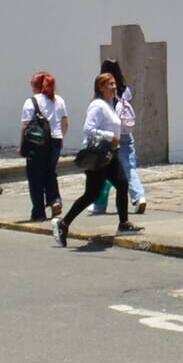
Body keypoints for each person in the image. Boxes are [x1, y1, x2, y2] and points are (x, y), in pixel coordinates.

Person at [54, 71, 139, 244]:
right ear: (100, 87)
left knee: (122, 184)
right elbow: (88, 129)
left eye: (114, 84)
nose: (114, 87)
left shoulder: (110, 104)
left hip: (110, 154)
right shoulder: (97, 106)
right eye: (110, 84)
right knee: (91, 194)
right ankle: (63, 223)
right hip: (98, 155)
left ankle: (123, 223)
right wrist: (110, 136)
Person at [91, 58, 147, 217]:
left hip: (110, 136)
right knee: (128, 168)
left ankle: (101, 204)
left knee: (105, 169)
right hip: (126, 133)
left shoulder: (103, 91)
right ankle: (137, 197)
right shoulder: (125, 89)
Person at [19, 71, 68, 223]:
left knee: (35, 177)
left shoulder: (31, 101)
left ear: (36, 86)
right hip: (56, 141)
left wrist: (22, 146)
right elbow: (65, 123)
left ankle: (38, 212)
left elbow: (26, 126)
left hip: (37, 144)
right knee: (50, 172)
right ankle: (55, 201)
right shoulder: (59, 100)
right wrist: (60, 136)